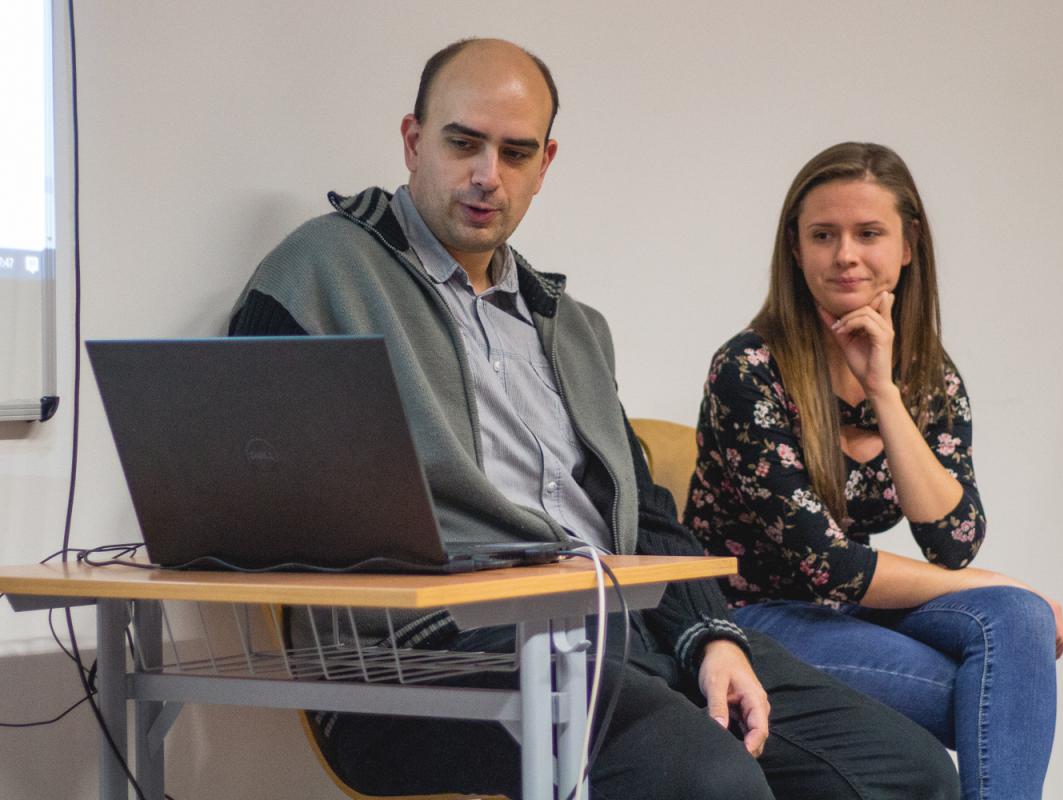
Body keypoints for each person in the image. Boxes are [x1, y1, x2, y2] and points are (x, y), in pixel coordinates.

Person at [228, 42, 959, 800]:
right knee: (710, 779)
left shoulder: (569, 325)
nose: (487, 175)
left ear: (544, 164)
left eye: (515, 153)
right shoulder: (325, 272)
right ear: (413, 141)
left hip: (621, 631)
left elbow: (645, 514)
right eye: (463, 143)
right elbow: (245, 484)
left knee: (910, 774)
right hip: (436, 649)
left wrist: (711, 634)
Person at [685, 142, 1063, 800]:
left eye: (868, 233)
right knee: (995, 695)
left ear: (908, 245)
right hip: (751, 617)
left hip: (846, 612)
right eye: (823, 235)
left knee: (1018, 618)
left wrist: (884, 392)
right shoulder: (749, 370)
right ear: (795, 248)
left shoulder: (926, 377)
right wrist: (993, 579)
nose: (845, 255)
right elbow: (828, 565)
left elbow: (952, 539)